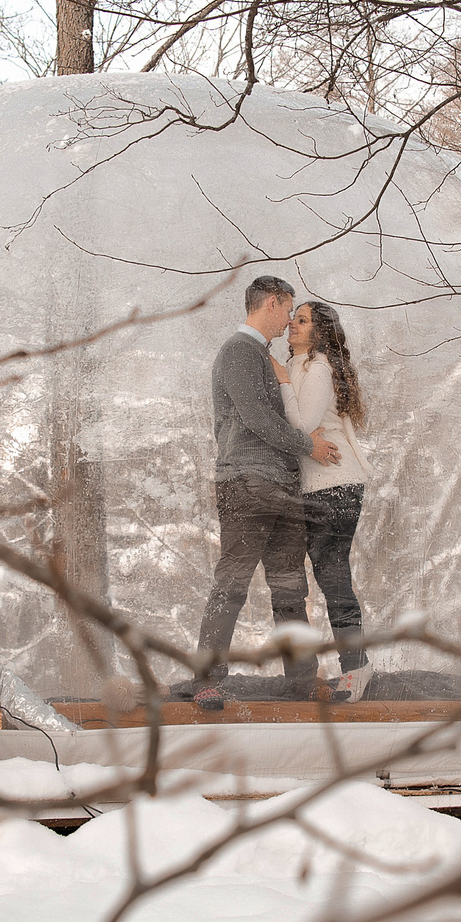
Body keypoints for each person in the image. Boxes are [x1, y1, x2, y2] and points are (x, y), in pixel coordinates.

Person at [187, 275, 343, 709]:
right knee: (233, 583)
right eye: (288, 308)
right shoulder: (239, 352)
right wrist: (309, 445)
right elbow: (256, 417)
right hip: (246, 483)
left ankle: (301, 681)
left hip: (283, 486)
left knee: (291, 588)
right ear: (271, 303)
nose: (291, 319)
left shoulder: (263, 356)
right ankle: (207, 681)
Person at [275, 300, 376, 701]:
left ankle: (357, 667)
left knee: (333, 577)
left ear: (318, 332)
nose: (292, 326)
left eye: (301, 321)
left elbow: (301, 425)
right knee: (330, 576)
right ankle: (355, 664)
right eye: (293, 319)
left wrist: (281, 380)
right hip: (322, 485)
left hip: (334, 483)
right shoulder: (305, 364)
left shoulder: (315, 367)